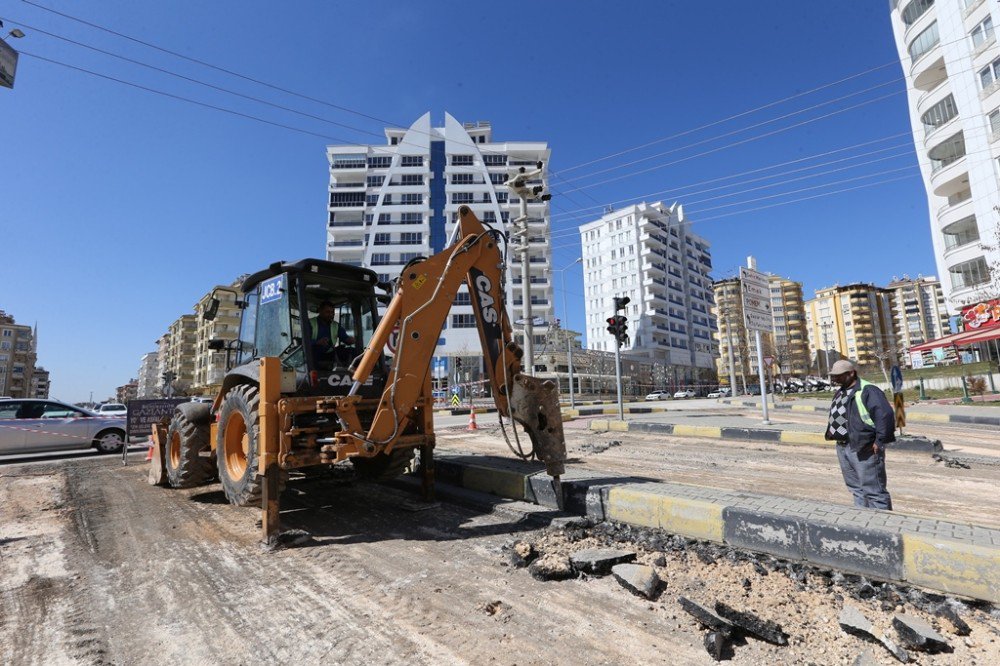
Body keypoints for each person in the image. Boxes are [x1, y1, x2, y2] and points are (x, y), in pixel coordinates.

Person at [824, 359, 895, 510]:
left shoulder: (868, 390)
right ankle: (863, 522)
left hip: (864, 447)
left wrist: (879, 441)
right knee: (856, 489)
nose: (835, 378)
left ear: (851, 373)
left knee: (873, 490)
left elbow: (885, 416)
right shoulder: (841, 391)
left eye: (839, 375)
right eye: (833, 376)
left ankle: (884, 527)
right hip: (843, 447)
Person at [309, 300, 355, 366]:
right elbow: (305, 341)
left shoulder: (335, 325)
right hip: (313, 354)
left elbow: (344, 338)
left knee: (352, 351)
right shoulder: (310, 323)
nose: (330, 314)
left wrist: (349, 340)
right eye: (327, 312)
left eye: (332, 312)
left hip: (330, 353)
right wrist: (317, 342)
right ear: (320, 311)